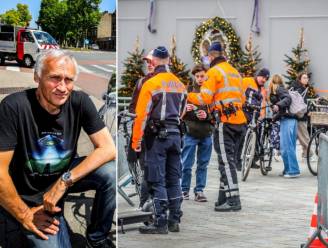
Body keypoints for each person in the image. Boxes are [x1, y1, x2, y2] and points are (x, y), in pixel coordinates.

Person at [0, 49, 116, 248]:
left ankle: (96, 238)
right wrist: (25, 215)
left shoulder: (80, 101)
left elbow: (108, 148)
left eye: (68, 80)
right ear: (37, 76)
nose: (62, 87)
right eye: (55, 78)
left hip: (63, 180)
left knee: (111, 172)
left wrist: (63, 182)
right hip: (31, 200)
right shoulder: (14, 107)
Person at [131, 46, 187, 234]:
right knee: (174, 178)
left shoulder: (151, 84)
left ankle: (160, 222)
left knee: (157, 180)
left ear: (154, 62)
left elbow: (140, 117)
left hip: (157, 138)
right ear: (168, 61)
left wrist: (136, 143)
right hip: (175, 135)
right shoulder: (180, 84)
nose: (149, 64)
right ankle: (174, 220)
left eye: (149, 61)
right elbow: (182, 113)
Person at [188, 42, 247, 212]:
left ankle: (234, 200)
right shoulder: (234, 72)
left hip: (224, 121)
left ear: (211, 55)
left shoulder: (213, 72)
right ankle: (223, 198)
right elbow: (241, 99)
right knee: (229, 160)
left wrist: (188, 96)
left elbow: (204, 99)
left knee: (226, 162)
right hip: (239, 120)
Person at [181, 64, 213, 202]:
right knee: (186, 164)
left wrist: (206, 115)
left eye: (202, 76)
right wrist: (186, 109)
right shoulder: (187, 90)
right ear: (194, 76)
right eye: (198, 76)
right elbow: (179, 112)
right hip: (190, 132)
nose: (200, 79)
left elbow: (216, 112)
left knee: (203, 164)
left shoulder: (211, 92)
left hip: (206, 132)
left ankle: (199, 190)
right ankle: (184, 190)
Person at [128, 50, 155, 209]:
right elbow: (133, 106)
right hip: (142, 133)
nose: (149, 64)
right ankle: (145, 204)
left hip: (156, 134)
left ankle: (149, 204)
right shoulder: (141, 82)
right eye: (147, 62)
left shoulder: (163, 82)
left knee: (150, 170)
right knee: (145, 169)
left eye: (152, 61)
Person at [269, 74, 300, 178]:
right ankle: (288, 169)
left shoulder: (279, 89)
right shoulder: (282, 89)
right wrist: (275, 117)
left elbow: (287, 99)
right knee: (287, 147)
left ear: (273, 82)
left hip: (288, 120)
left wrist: (278, 105)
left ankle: (293, 171)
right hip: (290, 120)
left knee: (287, 147)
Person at [292, 72, 315, 159]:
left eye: (307, 78)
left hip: (299, 115)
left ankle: (306, 154)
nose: (306, 79)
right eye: (304, 78)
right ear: (300, 79)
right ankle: (309, 154)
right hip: (300, 116)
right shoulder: (299, 89)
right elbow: (301, 103)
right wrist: (307, 111)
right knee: (304, 137)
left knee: (301, 136)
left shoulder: (302, 88)